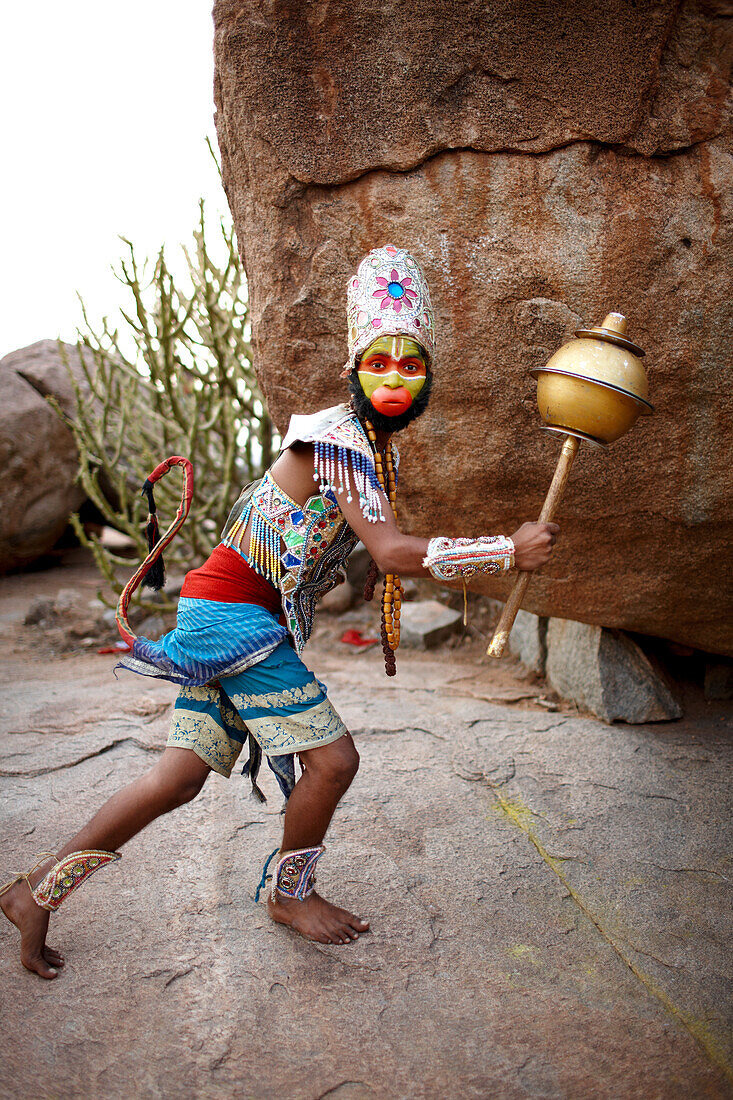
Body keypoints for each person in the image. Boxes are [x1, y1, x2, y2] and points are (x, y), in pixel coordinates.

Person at [0, 245, 558, 978]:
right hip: (234, 621)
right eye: (377, 363)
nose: (393, 378)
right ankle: (289, 894)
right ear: (352, 369)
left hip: (218, 615)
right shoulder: (336, 439)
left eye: (410, 365)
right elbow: (391, 550)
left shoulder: (363, 446)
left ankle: (35, 893)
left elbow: (337, 539)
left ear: (428, 377)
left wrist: (352, 570)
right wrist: (504, 552)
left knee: (177, 779)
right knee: (333, 760)